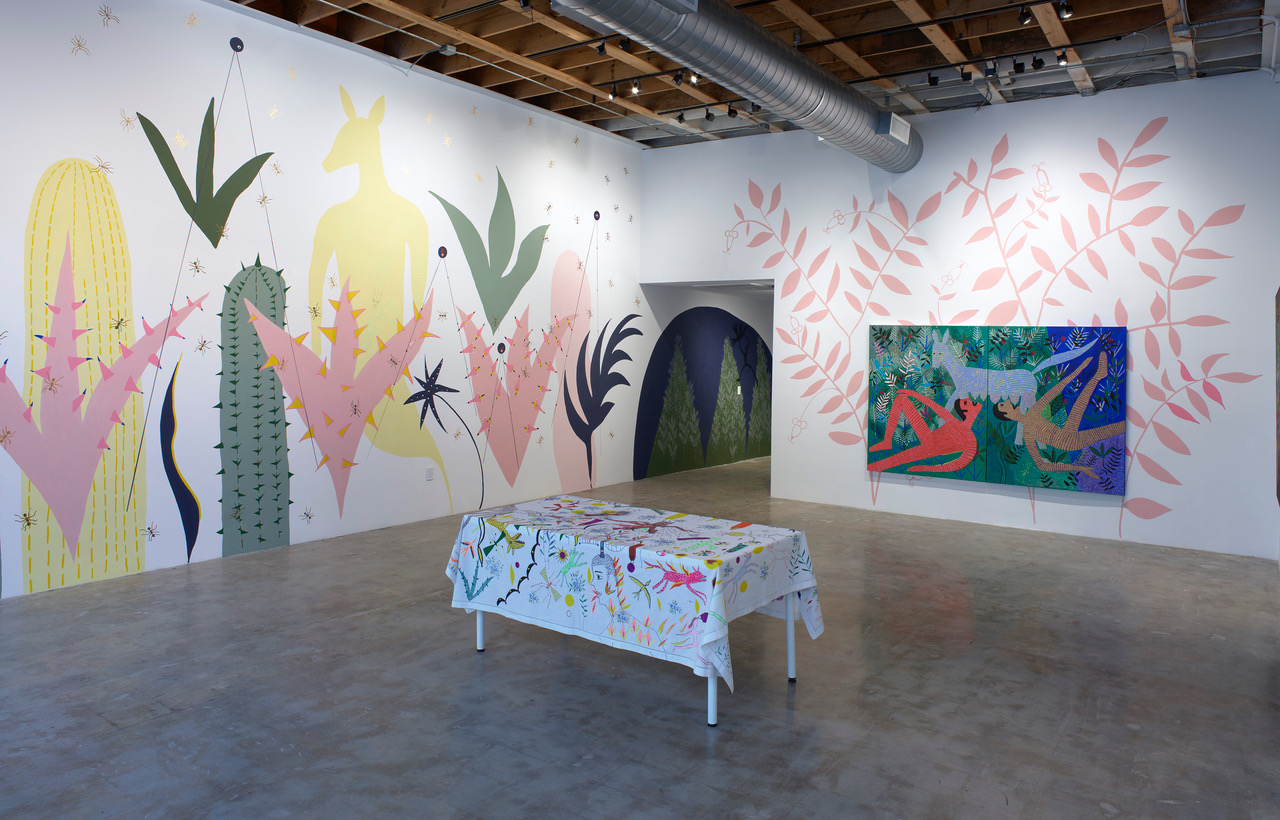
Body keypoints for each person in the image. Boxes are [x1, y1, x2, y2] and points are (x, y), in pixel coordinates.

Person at [991, 349, 1124, 478]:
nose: (1007, 401)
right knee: (1110, 430)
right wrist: (1080, 468)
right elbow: (1041, 465)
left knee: (1079, 403)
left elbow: (1055, 391)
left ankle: (1098, 375)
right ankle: (1099, 377)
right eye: (1003, 405)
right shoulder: (1028, 434)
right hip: (1072, 442)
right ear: (1006, 415)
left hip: (1066, 431)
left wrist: (1080, 369)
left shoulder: (1032, 413)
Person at [868, 391, 981, 473]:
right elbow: (935, 407)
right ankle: (887, 441)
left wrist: (925, 468)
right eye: (966, 402)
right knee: (901, 398)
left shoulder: (971, 441)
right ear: (965, 412)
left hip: (930, 449)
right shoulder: (954, 421)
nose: (970, 400)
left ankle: (874, 463)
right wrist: (913, 394)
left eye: (966, 402)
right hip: (927, 436)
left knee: (888, 462)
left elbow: (957, 464)